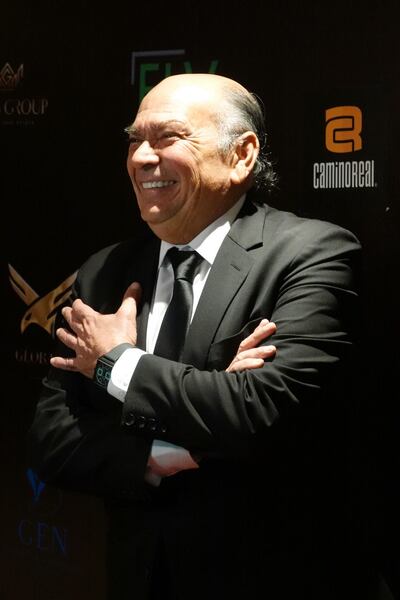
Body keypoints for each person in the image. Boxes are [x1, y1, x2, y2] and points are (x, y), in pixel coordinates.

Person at [28, 73, 372, 599]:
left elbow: (260, 412)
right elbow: (51, 436)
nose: (142, 157)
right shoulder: (106, 271)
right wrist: (166, 451)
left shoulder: (312, 254)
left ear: (241, 155)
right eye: (135, 140)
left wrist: (115, 362)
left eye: (168, 137)